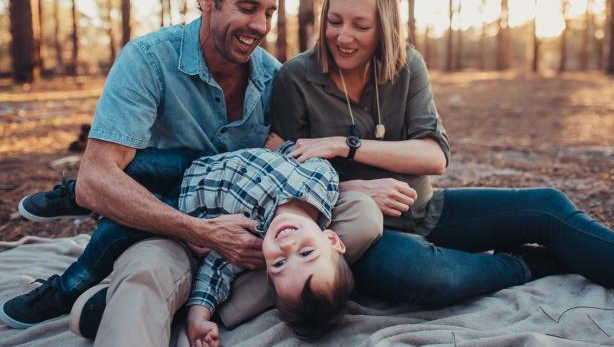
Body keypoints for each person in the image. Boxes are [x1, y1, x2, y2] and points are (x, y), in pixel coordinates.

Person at [2, 0, 383, 346]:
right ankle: (170, 300)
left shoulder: (275, 77)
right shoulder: (148, 60)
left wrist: (353, 186)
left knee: (363, 214)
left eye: (269, 12)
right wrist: (202, 230)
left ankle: (201, 305)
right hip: (166, 222)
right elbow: (95, 181)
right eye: (248, 7)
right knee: (146, 276)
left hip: (254, 232)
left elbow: (287, 164)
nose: (260, 25)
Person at [270, 0, 614, 308]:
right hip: (364, 236)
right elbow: (277, 178)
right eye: (334, 21)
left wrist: (346, 146)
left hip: (426, 210)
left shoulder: (406, 65)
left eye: (361, 26)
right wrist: (356, 191)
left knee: (547, 207)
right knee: (432, 276)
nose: (343, 36)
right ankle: (525, 265)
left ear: (384, 27)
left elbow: (433, 156)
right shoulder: (296, 77)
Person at [2, 142, 359, 346]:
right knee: (138, 163)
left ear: (265, 267)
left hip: (178, 211)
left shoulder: (247, 244)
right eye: (307, 252)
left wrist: (198, 318)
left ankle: (68, 287)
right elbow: (295, 149)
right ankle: (76, 193)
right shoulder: (322, 178)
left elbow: (215, 277)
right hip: (192, 166)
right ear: (332, 239)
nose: (286, 247)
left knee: (112, 232)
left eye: (278, 264)